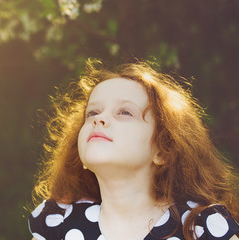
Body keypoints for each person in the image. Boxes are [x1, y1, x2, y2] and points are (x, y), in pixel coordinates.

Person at [28, 59, 239, 240]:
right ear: (81, 155)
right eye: (92, 113)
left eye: (125, 112)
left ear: (163, 151)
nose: (99, 119)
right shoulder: (57, 224)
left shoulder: (199, 227)